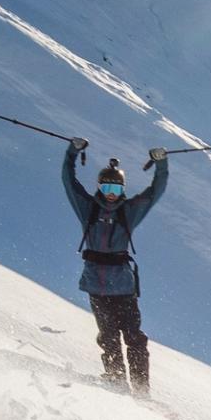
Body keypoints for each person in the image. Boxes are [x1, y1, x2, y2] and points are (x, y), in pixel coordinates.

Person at [61, 137, 171, 391]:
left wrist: (161, 164)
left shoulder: (129, 211)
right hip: (96, 286)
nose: (112, 195)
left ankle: (141, 389)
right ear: (99, 187)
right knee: (108, 337)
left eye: (117, 190)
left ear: (123, 191)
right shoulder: (87, 208)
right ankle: (116, 379)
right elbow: (69, 181)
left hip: (123, 287)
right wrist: (72, 152)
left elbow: (155, 191)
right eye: (108, 189)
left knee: (134, 338)